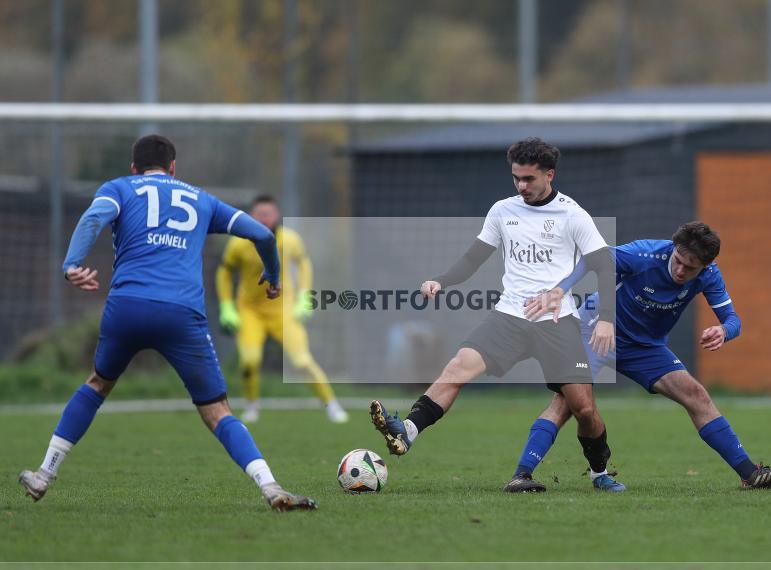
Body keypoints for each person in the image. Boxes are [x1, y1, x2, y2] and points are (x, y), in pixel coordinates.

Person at [18, 135, 316, 511]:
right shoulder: (200, 198)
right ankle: (270, 486)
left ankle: (44, 473)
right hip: (182, 314)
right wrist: (273, 275)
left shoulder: (119, 188)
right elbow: (262, 234)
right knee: (217, 411)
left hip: (127, 306)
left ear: (133, 168)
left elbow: (94, 217)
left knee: (97, 385)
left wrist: (71, 265)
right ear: (174, 167)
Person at [369, 138, 626, 491]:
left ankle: (599, 471)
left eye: (529, 179)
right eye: (516, 178)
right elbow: (473, 259)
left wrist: (608, 319)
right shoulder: (503, 211)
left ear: (549, 175)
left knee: (582, 408)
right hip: (509, 316)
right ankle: (408, 431)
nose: (521, 186)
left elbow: (605, 266)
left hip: (557, 321)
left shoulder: (573, 214)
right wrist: (441, 281)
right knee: (458, 366)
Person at [508, 221, 771, 491]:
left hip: (644, 346)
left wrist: (723, 331)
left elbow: (734, 320)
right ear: (674, 249)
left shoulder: (710, 276)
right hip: (595, 329)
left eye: (691, 268)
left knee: (696, 394)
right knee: (572, 405)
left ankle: (751, 475)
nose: (681, 271)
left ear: (706, 266)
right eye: (679, 260)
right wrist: (560, 290)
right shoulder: (644, 255)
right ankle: (522, 475)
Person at [216, 194, 347, 424]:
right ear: (250, 216)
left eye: (268, 213)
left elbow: (304, 263)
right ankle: (252, 406)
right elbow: (225, 271)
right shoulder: (238, 244)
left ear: (276, 215)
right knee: (249, 361)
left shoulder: (290, 240)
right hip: (250, 310)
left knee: (302, 362)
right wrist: (227, 305)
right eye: (259, 214)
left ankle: (332, 405)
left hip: (283, 309)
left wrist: (305, 296)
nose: (264, 218)